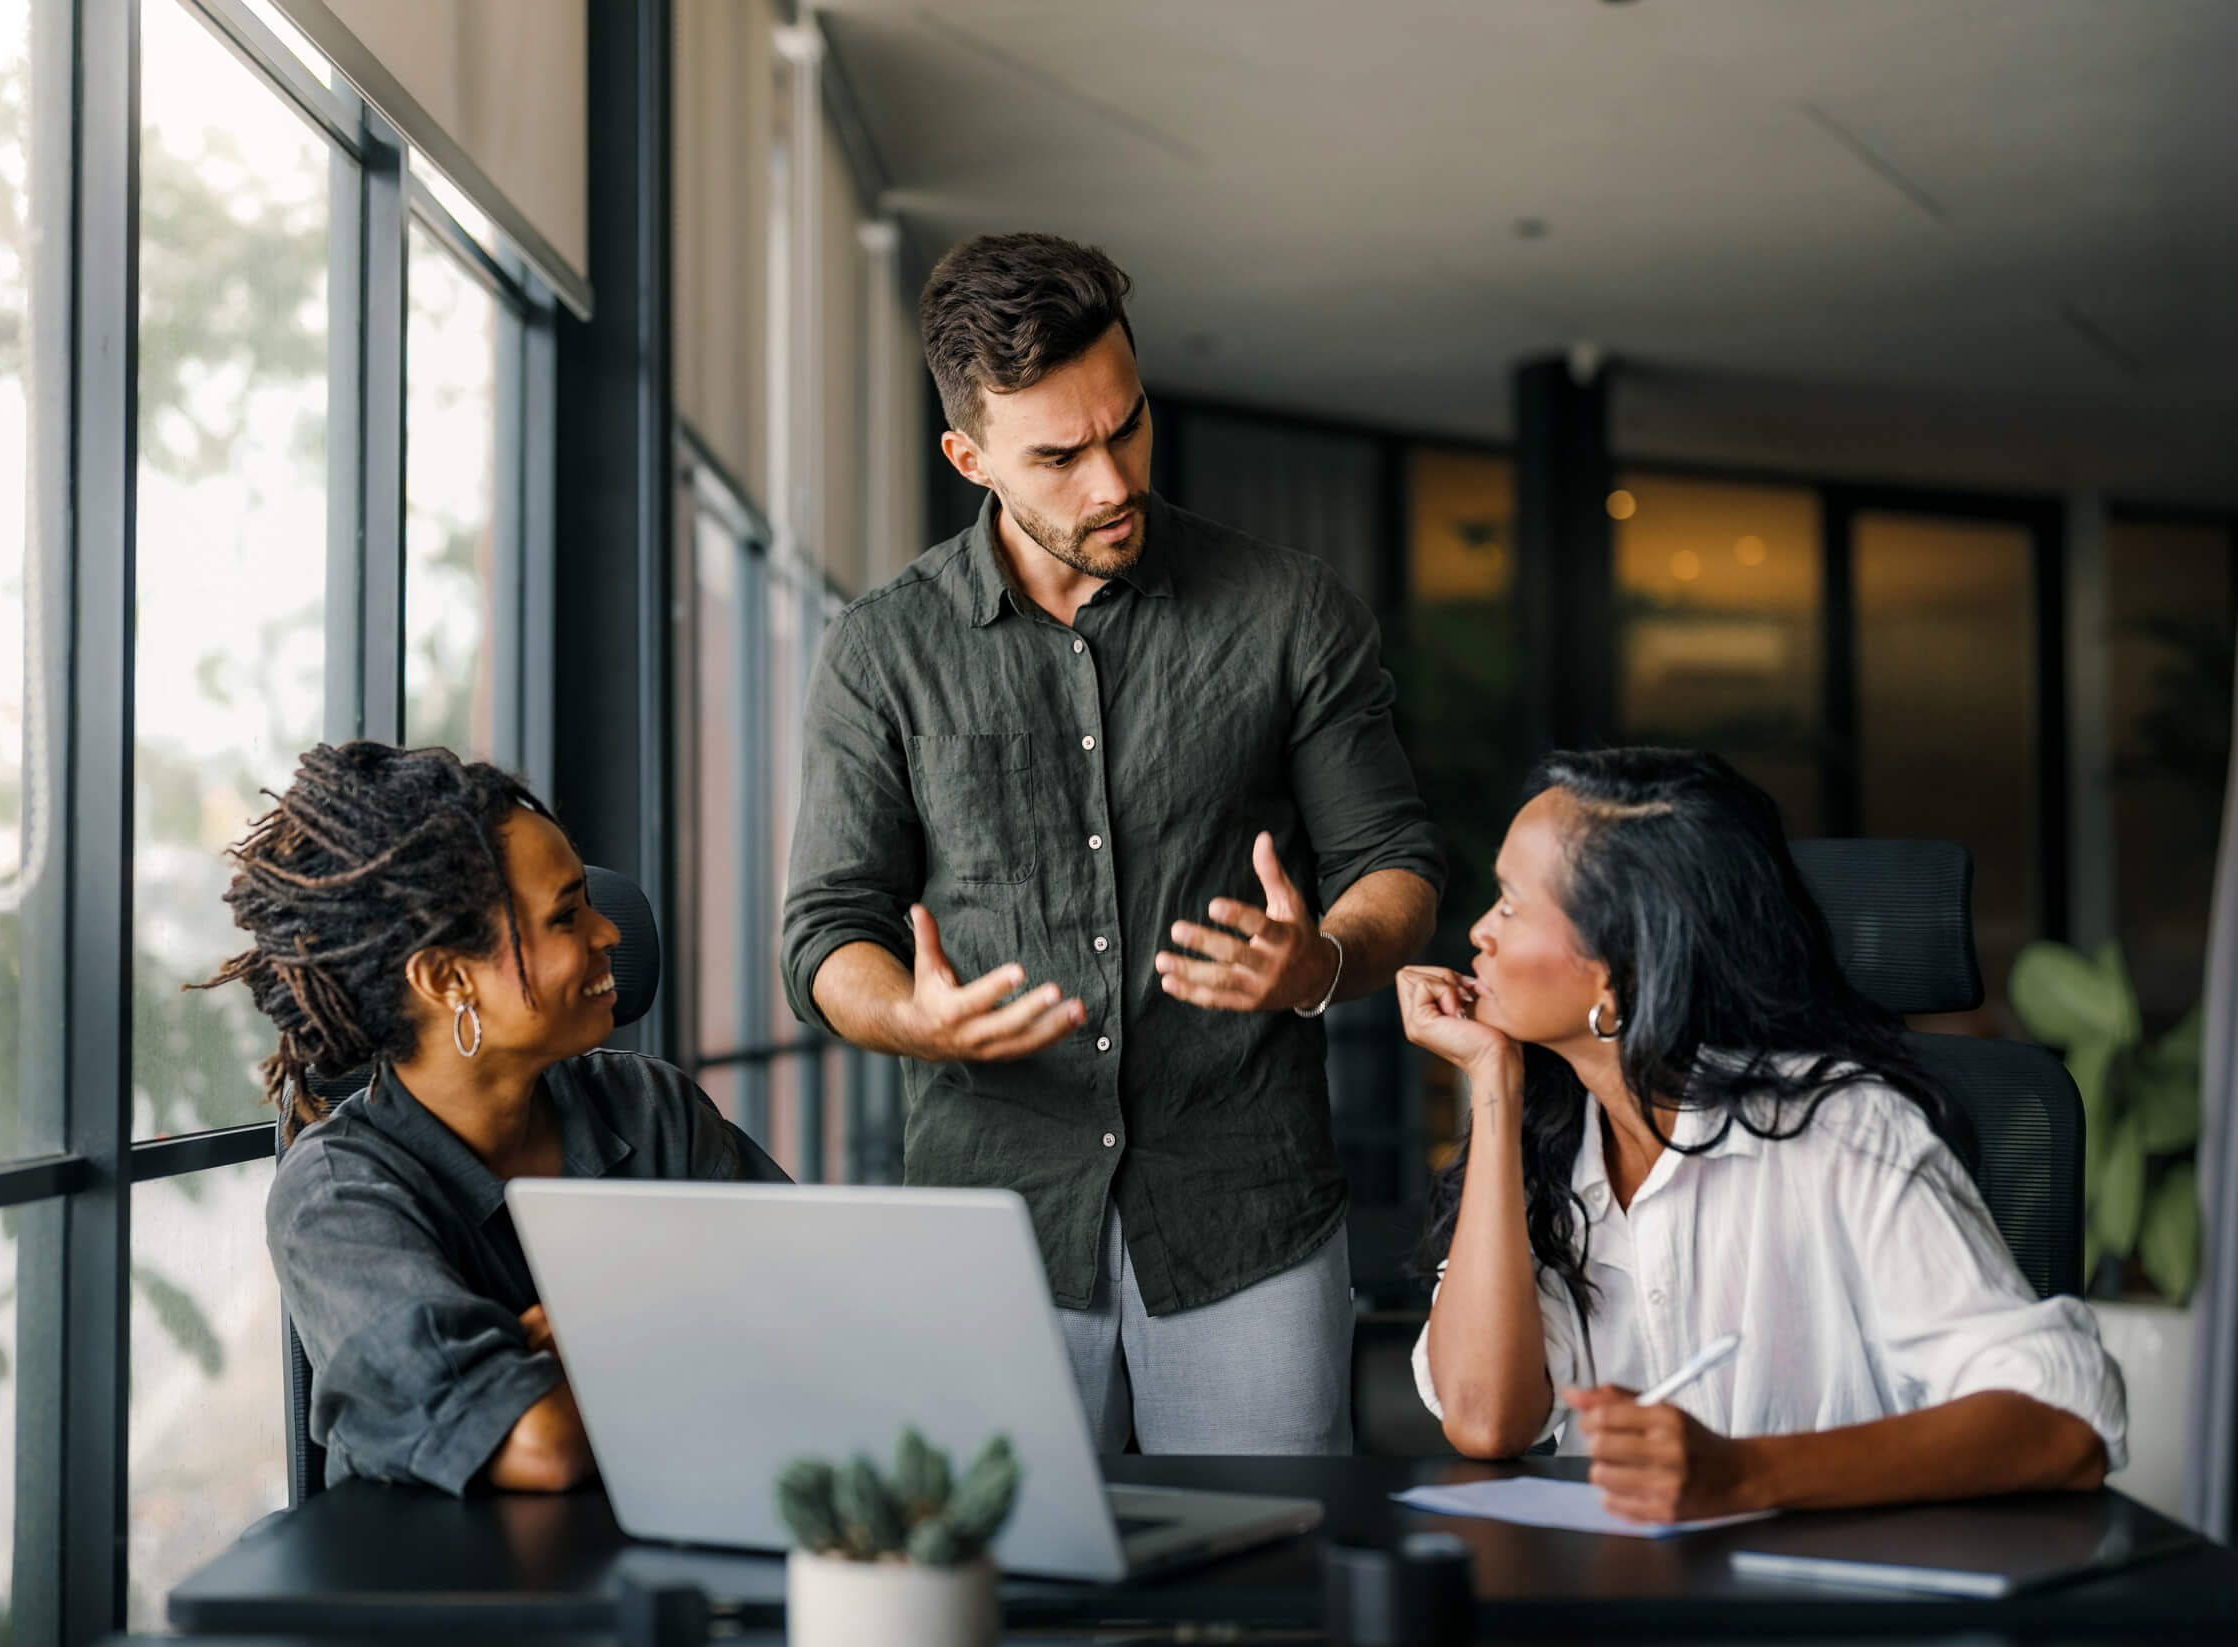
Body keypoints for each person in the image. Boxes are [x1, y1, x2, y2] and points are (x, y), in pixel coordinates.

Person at [781, 232, 1446, 1454]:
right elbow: (828, 929)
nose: (1112, 482)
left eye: (1127, 427)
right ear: (969, 458)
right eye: (1059, 454)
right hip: (996, 1221)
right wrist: (909, 1019)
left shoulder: (1289, 612)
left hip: (1248, 1209)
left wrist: (1325, 963)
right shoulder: (881, 653)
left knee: (1271, 1595)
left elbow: (1395, 861)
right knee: (1001, 1611)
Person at [1402, 747, 2125, 1521]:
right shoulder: (1549, 1140)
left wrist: (1743, 1475)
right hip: (1620, 1605)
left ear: (1620, 971)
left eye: (1510, 903)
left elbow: (2066, 1419)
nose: (1478, 931)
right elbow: (1485, 1420)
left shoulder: (1845, 1132)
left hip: (1826, 1612)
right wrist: (1493, 1086)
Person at [202, 740, 787, 1496]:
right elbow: (539, 1443)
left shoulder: (649, 1106)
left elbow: (807, 1323)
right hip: (467, 1593)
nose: (609, 934)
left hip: (693, 1533)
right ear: (448, 979)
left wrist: (567, 1340)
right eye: (567, 916)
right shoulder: (334, 1195)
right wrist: (676, 1316)